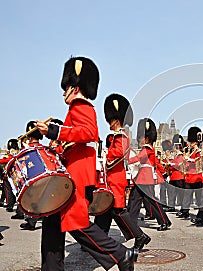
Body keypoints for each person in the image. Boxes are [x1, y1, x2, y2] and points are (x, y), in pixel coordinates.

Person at [36, 56, 137, 271]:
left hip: (77, 172)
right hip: (73, 168)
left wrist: (54, 130)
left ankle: (121, 254)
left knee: (75, 222)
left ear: (75, 86)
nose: (63, 92)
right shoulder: (75, 108)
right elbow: (73, 139)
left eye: (66, 87)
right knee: (53, 221)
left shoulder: (81, 105)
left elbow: (88, 132)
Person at [94, 93, 150, 251]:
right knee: (104, 210)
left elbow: (117, 155)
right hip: (111, 178)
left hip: (115, 179)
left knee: (118, 211)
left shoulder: (121, 136)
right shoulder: (116, 136)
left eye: (110, 119)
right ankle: (98, 238)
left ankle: (140, 236)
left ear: (116, 120)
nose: (109, 123)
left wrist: (104, 157)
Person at [127, 118, 171, 231]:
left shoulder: (147, 149)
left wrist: (128, 159)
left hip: (146, 179)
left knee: (153, 202)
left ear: (146, 138)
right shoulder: (148, 149)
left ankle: (165, 221)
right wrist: (164, 172)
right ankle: (130, 222)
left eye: (140, 138)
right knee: (134, 200)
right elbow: (156, 162)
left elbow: (139, 158)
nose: (139, 141)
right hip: (142, 178)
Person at [19, 120, 45, 230]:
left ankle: (31, 221)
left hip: (31, 178)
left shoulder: (26, 149)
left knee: (32, 200)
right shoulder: (43, 148)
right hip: (43, 176)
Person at [177, 127, 203, 219]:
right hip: (189, 176)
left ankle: (201, 213)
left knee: (199, 196)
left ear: (196, 142)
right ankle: (185, 211)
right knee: (186, 195)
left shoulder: (199, 151)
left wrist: (190, 160)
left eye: (192, 142)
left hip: (196, 176)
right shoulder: (189, 151)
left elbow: (199, 162)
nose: (190, 144)